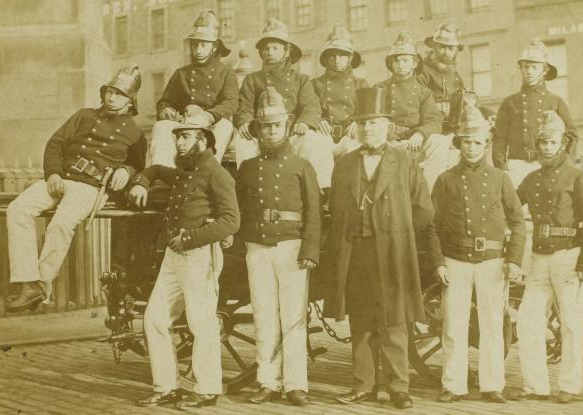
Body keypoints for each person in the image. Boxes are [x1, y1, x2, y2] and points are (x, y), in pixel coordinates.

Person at [6, 64, 147, 313]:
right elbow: (56, 144)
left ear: (130, 100)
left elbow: (138, 165)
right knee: (17, 209)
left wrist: (126, 171)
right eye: (109, 92)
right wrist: (53, 173)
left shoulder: (135, 133)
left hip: (91, 188)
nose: (111, 97)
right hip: (63, 178)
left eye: (119, 94)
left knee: (61, 224)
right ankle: (26, 281)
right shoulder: (84, 115)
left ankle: (41, 284)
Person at [325, 87, 434, 410]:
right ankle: (364, 385)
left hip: (393, 253)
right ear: (356, 128)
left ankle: (399, 388)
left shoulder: (404, 161)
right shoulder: (344, 164)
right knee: (361, 319)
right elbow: (335, 208)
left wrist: (398, 234)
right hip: (356, 252)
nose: (368, 128)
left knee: (395, 320)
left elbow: (424, 209)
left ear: (388, 125)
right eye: (363, 123)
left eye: (374, 122)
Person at [130, 113, 239, 409]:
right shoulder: (184, 172)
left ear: (203, 140)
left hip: (198, 255)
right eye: (178, 136)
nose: (179, 141)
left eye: (186, 136)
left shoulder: (216, 173)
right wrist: (141, 180)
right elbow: (155, 170)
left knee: (201, 323)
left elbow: (231, 221)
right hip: (173, 256)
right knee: (155, 319)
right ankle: (167, 387)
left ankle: (207, 390)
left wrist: (190, 238)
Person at [428, 104, 525, 404]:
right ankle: (453, 384)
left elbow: (518, 221)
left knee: (493, 325)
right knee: (454, 324)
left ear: (486, 144)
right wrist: (438, 262)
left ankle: (492, 384)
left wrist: (514, 260)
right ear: (459, 145)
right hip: (455, 261)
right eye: (466, 141)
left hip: (492, 263)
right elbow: (432, 225)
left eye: (477, 142)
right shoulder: (445, 180)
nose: (471, 147)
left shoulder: (500, 179)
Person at [235, 87, 321, 406]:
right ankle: (267, 381)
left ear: (286, 127)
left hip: (292, 248)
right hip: (257, 248)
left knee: (294, 317)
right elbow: (239, 208)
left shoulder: (301, 166)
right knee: (263, 314)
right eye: (265, 125)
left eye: (276, 125)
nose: (270, 131)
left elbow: (314, 211)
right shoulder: (247, 168)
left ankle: (296, 384)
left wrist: (310, 250)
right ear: (257, 129)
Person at [514, 110, 583, 403]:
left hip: (570, 257)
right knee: (527, 320)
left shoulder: (578, 178)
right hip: (540, 258)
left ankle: (569, 386)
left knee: (572, 323)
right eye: (542, 143)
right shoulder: (530, 179)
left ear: (563, 144)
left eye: (552, 143)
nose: (547, 148)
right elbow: (510, 208)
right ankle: (535, 385)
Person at [234, 18, 333, 190]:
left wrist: (304, 123)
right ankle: (248, 190)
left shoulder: (301, 79)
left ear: (286, 51)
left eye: (275, 48)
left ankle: (320, 191)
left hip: (292, 135)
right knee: (242, 141)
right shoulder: (252, 79)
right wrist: (245, 123)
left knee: (316, 141)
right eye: (266, 48)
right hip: (262, 135)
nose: (269, 52)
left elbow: (311, 106)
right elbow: (244, 106)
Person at [150, 9, 238, 167]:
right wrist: (165, 110)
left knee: (225, 126)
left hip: (212, 123)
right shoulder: (181, 74)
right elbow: (165, 101)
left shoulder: (226, 73)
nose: (198, 50)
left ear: (215, 46)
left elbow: (230, 103)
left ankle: (207, 174)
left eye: (203, 45)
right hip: (184, 123)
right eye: (195, 45)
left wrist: (209, 116)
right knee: (161, 126)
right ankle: (162, 174)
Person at [493, 38, 578, 187]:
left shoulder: (556, 102)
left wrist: (560, 163)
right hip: (515, 167)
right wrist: (502, 168)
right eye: (525, 67)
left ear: (544, 70)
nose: (528, 72)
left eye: (534, 67)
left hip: (546, 165)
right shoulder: (509, 102)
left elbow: (572, 135)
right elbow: (499, 138)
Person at [375, 31, 447, 190]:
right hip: (387, 142)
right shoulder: (380, 88)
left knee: (438, 141)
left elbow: (434, 121)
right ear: (391, 63)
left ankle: (429, 194)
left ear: (414, 63)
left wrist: (420, 133)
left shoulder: (424, 92)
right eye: (397, 60)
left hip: (414, 143)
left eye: (405, 60)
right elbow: (374, 118)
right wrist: (387, 136)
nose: (401, 65)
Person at [312, 25, 369, 160]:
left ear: (350, 58)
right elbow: (309, 108)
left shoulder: (361, 84)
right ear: (326, 59)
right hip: (324, 134)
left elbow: (368, 111)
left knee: (354, 153)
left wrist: (358, 122)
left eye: (342, 56)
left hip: (350, 134)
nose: (337, 61)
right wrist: (317, 120)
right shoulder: (315, 84)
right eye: (332, 56)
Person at [417, 18, 466, 134]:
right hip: (431, 128)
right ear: (434, 47)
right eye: (442, 47)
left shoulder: (455, 75)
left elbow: (466, 101)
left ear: (456, 50)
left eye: (451, 48)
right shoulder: (422, 71)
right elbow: (418, 104)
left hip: (454, 128)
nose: (447, 52)